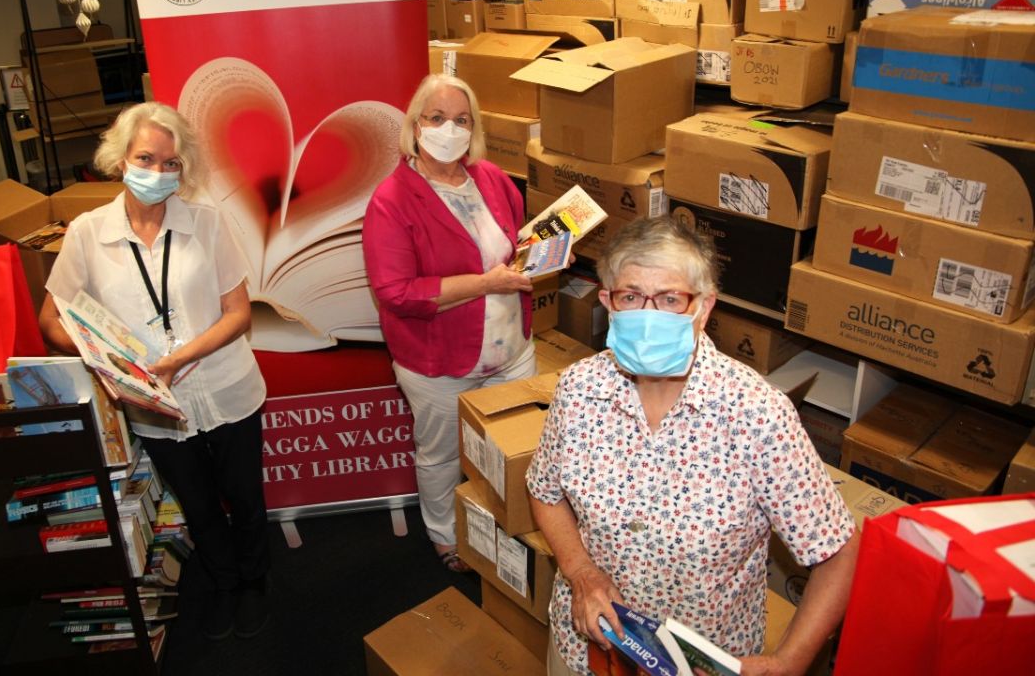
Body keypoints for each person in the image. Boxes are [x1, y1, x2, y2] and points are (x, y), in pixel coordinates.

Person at [526, 216, 859, 676]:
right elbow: (545, 492)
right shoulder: (578, 390)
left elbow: (838, 552)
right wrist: (581, 572)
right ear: (608, 302)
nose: (648, 316)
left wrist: (790, 661)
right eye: (630, 296)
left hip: (701, 663)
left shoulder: (757, 416)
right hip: (589, 649)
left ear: (703, 308)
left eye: (669, 299)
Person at [38, 101, 270, 641]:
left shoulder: (207, 223)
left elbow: (238, 313)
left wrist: (181, 357)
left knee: (245, 495)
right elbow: (52, 321)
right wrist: (106, 361)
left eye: (171, 164)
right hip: (153, 404)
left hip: (227, 386)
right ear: (120, 159)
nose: (158, 173)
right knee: (197, 502)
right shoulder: (86, 234)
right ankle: (224, 581)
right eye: (147, 158)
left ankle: (257, 580)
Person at [362, 73, 536, 572]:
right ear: (416, 126)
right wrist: (485, 283)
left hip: (511, 350)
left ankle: (510, 527)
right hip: (440, 361)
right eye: (437, 118)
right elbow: (396, 292)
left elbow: (514, 245)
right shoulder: (392, 200)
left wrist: (538, 259)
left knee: (513, 449)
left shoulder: (493, 180)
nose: (449, 129)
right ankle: (445, 536)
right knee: (440, 455)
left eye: (461, 120)